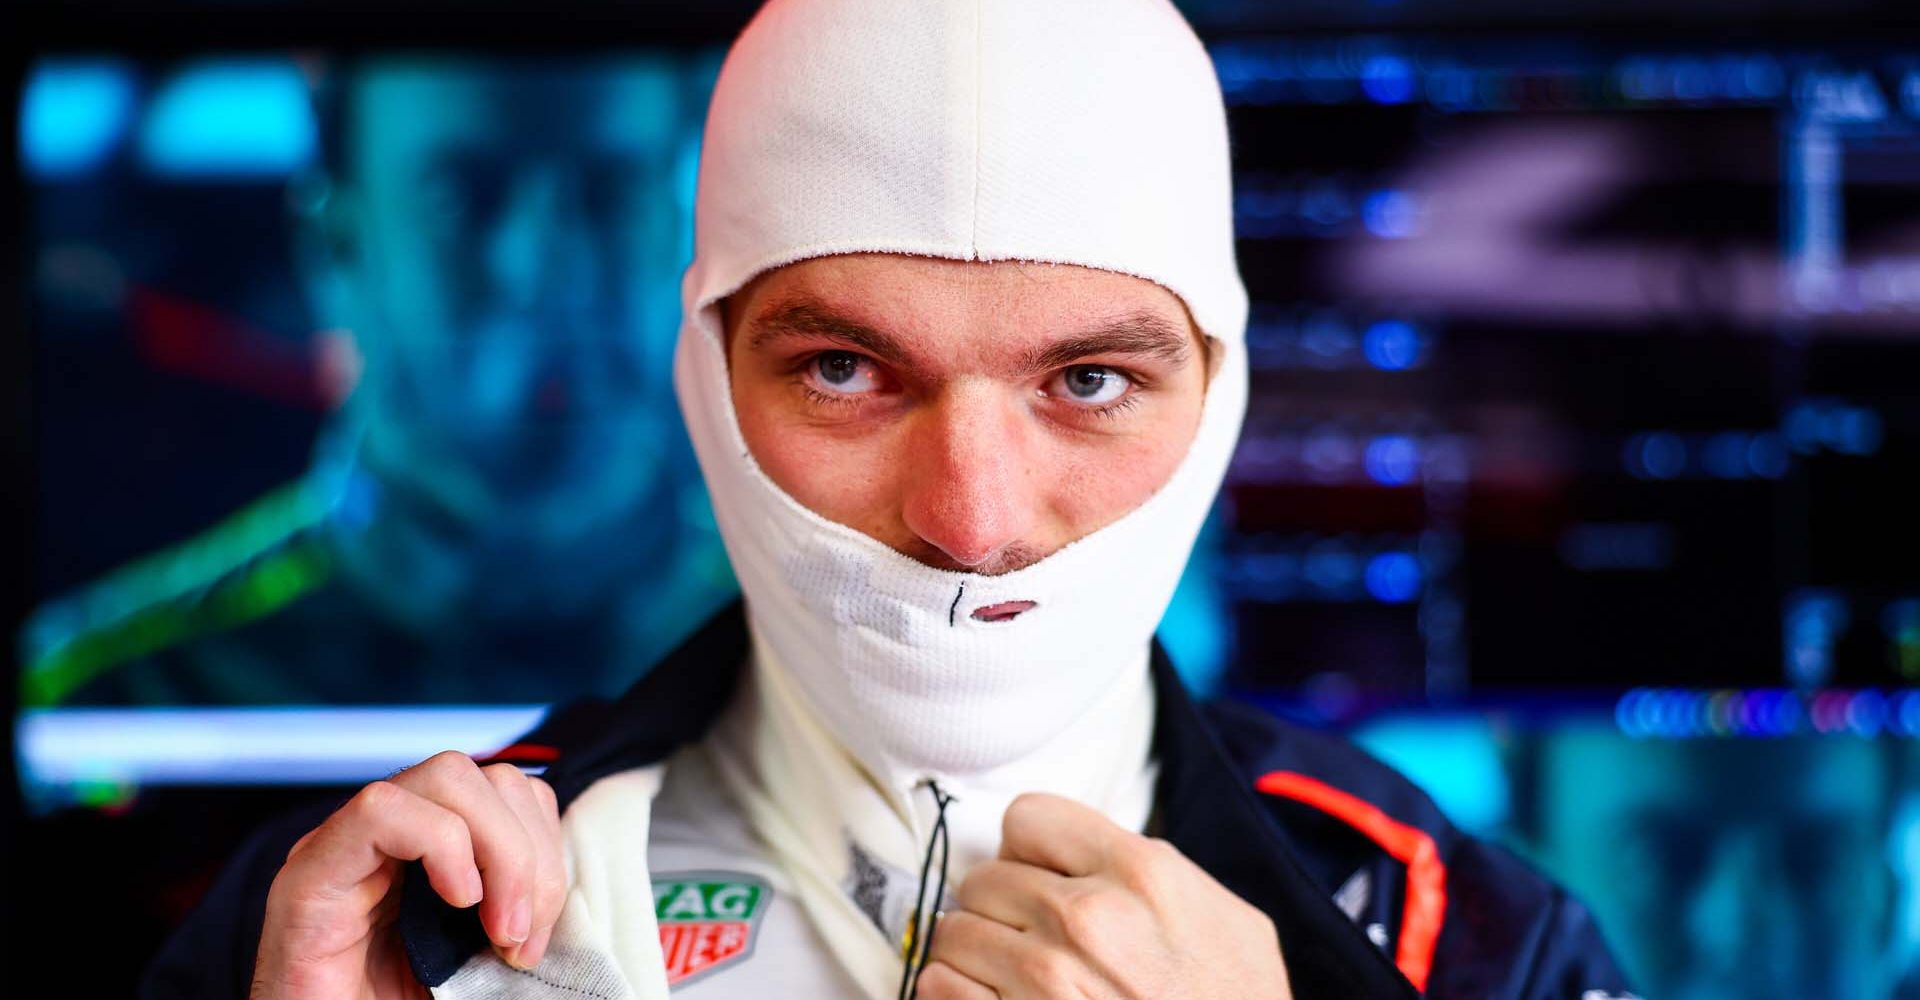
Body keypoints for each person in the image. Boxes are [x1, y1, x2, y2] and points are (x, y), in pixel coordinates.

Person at [144, 2, 1639, 997]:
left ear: (1218, 388)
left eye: (1091, 383)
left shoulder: (1473, 943)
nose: (972, 519)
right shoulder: (354, 923)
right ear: (709, 372)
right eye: (850, 371)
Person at [19, 55, 736, 708]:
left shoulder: (819, 661)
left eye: (612, 193)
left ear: (686, 225)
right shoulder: (110, 692)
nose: (547, 270)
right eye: (465, 199)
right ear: (339, 246)